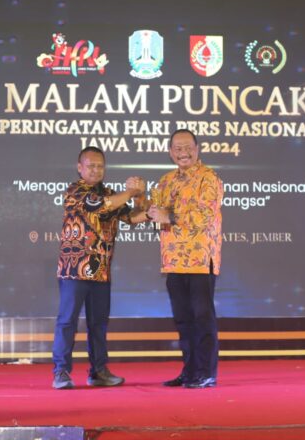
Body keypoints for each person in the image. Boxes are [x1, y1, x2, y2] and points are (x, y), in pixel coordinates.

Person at [52, 146, 147, 389]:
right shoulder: (75, 190)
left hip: (101, 271)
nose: (95, 170)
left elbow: (133, 218)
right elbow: (100, 206)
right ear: (80, 167)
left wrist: (141, 197)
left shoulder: (110, 193)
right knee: (67, 321)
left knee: (98, 324)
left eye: (100, 166)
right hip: (75, 269)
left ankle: (98, 372)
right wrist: (130, 191)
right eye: (91, 166)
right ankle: (61, 372)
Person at [147, 129, 223, 389]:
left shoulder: (209, 178)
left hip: (201, 260)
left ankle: (206, 372)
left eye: (188, 147)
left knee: (202, 318)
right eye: (178, 148)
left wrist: (169, 216)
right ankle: (190, 371)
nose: (184, 153)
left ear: (197, 149)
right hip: (173, 261)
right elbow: (154, 212)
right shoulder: (165, 181)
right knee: (183, 320)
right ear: (170, 152)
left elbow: (204, 216)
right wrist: (139, 198)